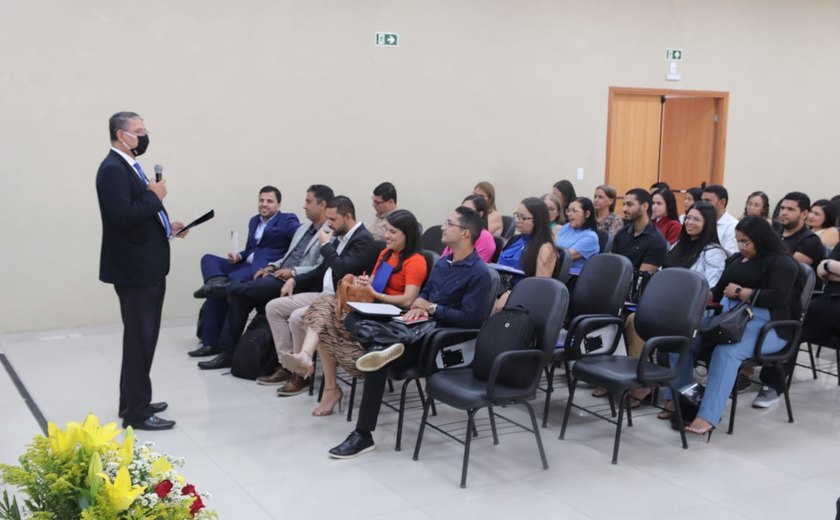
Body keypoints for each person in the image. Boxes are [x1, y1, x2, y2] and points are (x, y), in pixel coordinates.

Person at [327, 206, 491, 458]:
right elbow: (425, 294)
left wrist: (432, 308)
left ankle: (363, 434)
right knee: (354, 316)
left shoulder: (480, 274)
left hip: (447, 349)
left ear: (466, 234)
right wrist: (418, 306)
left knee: (377, 360)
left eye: (449, 223)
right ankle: (383, 345)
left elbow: (472, 320)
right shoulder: (444, 262)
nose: (443, 228)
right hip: (418, 329)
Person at [197, 196, 379, 378]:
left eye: (333, 220)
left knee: (295, 317)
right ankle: (287, 363)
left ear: (347, 217)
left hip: (340, 300)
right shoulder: (338, 235)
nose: (329, 224)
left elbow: (342, 268)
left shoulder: (362, 239)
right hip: (320, 292)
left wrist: (323, 247)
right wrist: (295, 279)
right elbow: (321, 270)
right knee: (273, 307)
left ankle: (298, 375)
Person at [281, 210, 427, 416]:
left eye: (393, 232)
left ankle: (317, 371)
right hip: (372, 308)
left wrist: (377, 293)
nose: (387, 236)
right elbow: (374, 283)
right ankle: (315, 368)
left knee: (323, 310)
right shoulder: (386, 254)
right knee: (323, 312)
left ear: (407, 234)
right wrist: (364, 283)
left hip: (391, 316)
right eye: (387, 230)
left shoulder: (416, 260)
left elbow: (408, 300)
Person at [96, 111, 187, 431]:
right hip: (135, 271)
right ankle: (136, 412)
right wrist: (154, 196)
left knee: (143, 339)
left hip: (147, 264)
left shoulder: (127, 167)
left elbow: (139, 216)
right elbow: (122, 216)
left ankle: (134, 400)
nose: (144, 136)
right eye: (139, 131)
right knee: (139, 339)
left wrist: (167, 225)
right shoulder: (112, 169)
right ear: (122, 135)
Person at [187, 185, 332, 365]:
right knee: (238, 295)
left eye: (308, 202)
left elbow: (319, 267)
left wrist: (293, 272)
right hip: (274, 273)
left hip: (295, 281)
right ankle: (226, 353)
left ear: (323, 205)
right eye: (261, 200)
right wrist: (271, 267)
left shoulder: (327, 232)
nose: (304, 206)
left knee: (237, 289)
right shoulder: (303, 229)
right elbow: (285, 256)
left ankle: (222, 288)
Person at [683, 217, 800, 436]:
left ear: (761, 239)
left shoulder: (782, 263)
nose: (741, 247)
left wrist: (741, 293)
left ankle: (708, 414)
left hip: (770, 325)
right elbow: (717, 292)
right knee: (685, 339)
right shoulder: (737, 259)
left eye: (746, 241)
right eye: (738, 241)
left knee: (727, 351)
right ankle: (679, 400)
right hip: (731, 318)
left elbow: (779, 297)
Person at [629, 202, 726, 417]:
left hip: (696, 315)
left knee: (676, 342)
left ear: (708, 223)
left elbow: (709, 291)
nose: (689, 223)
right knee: (633, 321)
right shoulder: (677, 246)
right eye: (688, 218)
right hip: (668, 310)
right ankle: (644, 380)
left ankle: (676, 397)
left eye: (696, 219)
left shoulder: (713, 252)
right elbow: (663, 278)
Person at [752, 191, 823, 407]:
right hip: (766, 292)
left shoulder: (809, 241)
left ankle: (773, 385)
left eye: (790, 209)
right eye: (782, 208)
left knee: (788, 323)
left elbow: (786, 270)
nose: (783, 213)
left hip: (793, 301)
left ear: (804, 213)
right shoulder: (775, 232)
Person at [193, 186, 299, 297]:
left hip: (261, 268)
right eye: (261, 200)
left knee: (233, 278)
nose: (264, 204)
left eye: (270, 201)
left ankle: (217, 289)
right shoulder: (254, 221)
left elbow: (302, 235)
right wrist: (238, 256)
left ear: (278, 205)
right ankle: (216, 285)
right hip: (243, 264)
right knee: (208, 259)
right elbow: (251, 249)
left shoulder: (287, 220)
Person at [494, 197, 559, 310]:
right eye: (517, 215)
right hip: (498, 289)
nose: (517, 220)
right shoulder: (513, 240)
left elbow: (539, 287)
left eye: (523, 217)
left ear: (537, 220)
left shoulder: (545, 248)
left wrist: (510, 294)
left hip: (519, 297)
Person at [610, 188, 668, 274]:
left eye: (629, 205)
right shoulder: (622, 233)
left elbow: (641, 279)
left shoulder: (656, 240)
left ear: (644, 206)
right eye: (624, 204)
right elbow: (611, 263)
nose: (624, 209)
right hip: (614, 280)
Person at [441, 194, 496, 262]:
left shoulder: (485, 237)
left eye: (468, 210)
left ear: (480, 214)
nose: (463, 213)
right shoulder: (456, 233)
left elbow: (473, 267)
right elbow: (442, 261)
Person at [555, 197, 599, 272]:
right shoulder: (567, 227)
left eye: (574, 211)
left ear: (587, 214)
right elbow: (552, 244)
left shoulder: (591, 237)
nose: (569, 214)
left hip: (572, 276)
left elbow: (565, 257)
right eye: (568, 211)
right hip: (557, 269)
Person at [701, 184, 739, 255]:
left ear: (722, 202)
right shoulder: (700, 221)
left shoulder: (732, 226)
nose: (703, 204)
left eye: (707, 201)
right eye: (702, 200)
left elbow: (730, 256)